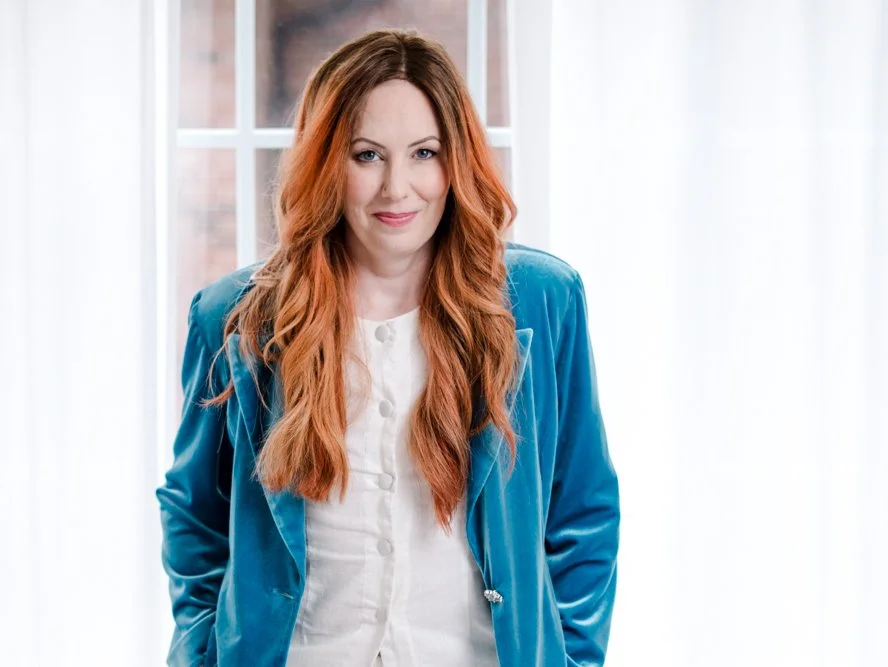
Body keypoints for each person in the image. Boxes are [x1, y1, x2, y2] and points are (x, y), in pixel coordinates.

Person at [156, 28, 619, 667]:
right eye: (367, 155)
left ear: (456, 160)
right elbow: (195, 520)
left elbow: (583, 510)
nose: (397, 187)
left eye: (424, 153)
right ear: (326, 162)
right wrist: (205, 654)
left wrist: (572, 659)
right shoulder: (233, 320)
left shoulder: (543, 300)